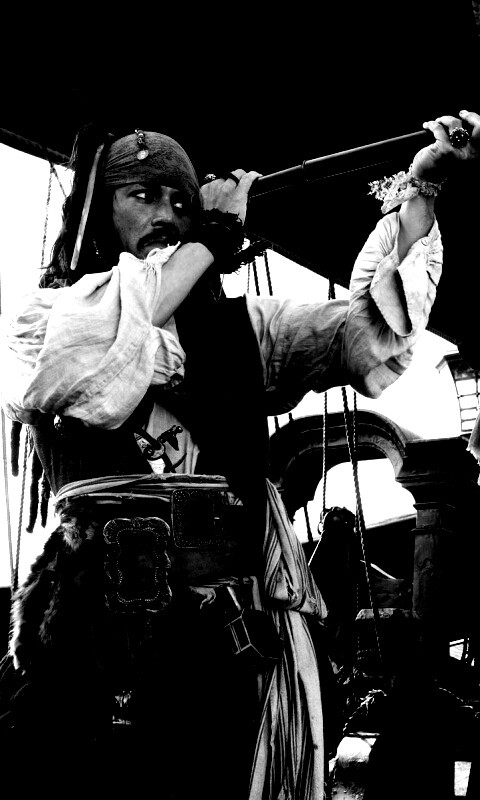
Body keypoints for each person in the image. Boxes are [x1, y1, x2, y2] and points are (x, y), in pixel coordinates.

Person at [0, 110, 479, 799]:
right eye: (142, 195)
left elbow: (368, 331)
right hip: (90, 645)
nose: (166, 214)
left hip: (219, 653)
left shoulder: (246, 329)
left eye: (181, 202)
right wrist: (210, 235)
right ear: (100, 213)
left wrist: (420, 192)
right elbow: (96, 352)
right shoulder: (43, 319)